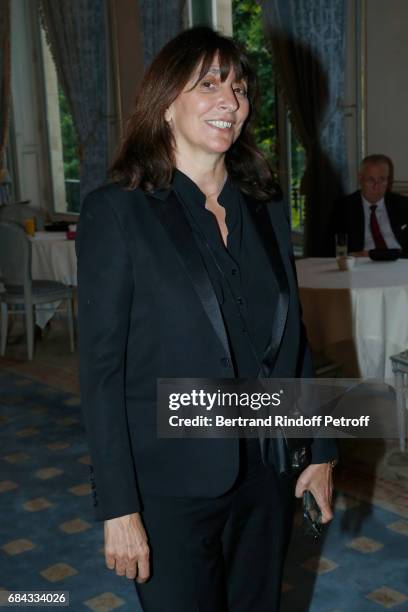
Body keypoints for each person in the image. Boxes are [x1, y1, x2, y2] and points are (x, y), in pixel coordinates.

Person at [76, 26, 337, 612]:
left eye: (240, 89)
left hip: (266, 471)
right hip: (168, 484)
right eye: (210, 84)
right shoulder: (116, 212)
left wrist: (319, 450)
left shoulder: (264, 207)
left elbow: (294, 341)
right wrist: (119, 507)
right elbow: (100, 374)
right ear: (166, 103)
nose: (231, 101)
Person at [334, 154, 408, 255]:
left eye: (382, 179)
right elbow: (335, 250)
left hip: (399, 263)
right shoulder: (343, 208)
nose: (376, 186)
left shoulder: (404, 205)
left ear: (388, 181)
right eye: (370, 180)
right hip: (363, 263)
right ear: (360, 179)